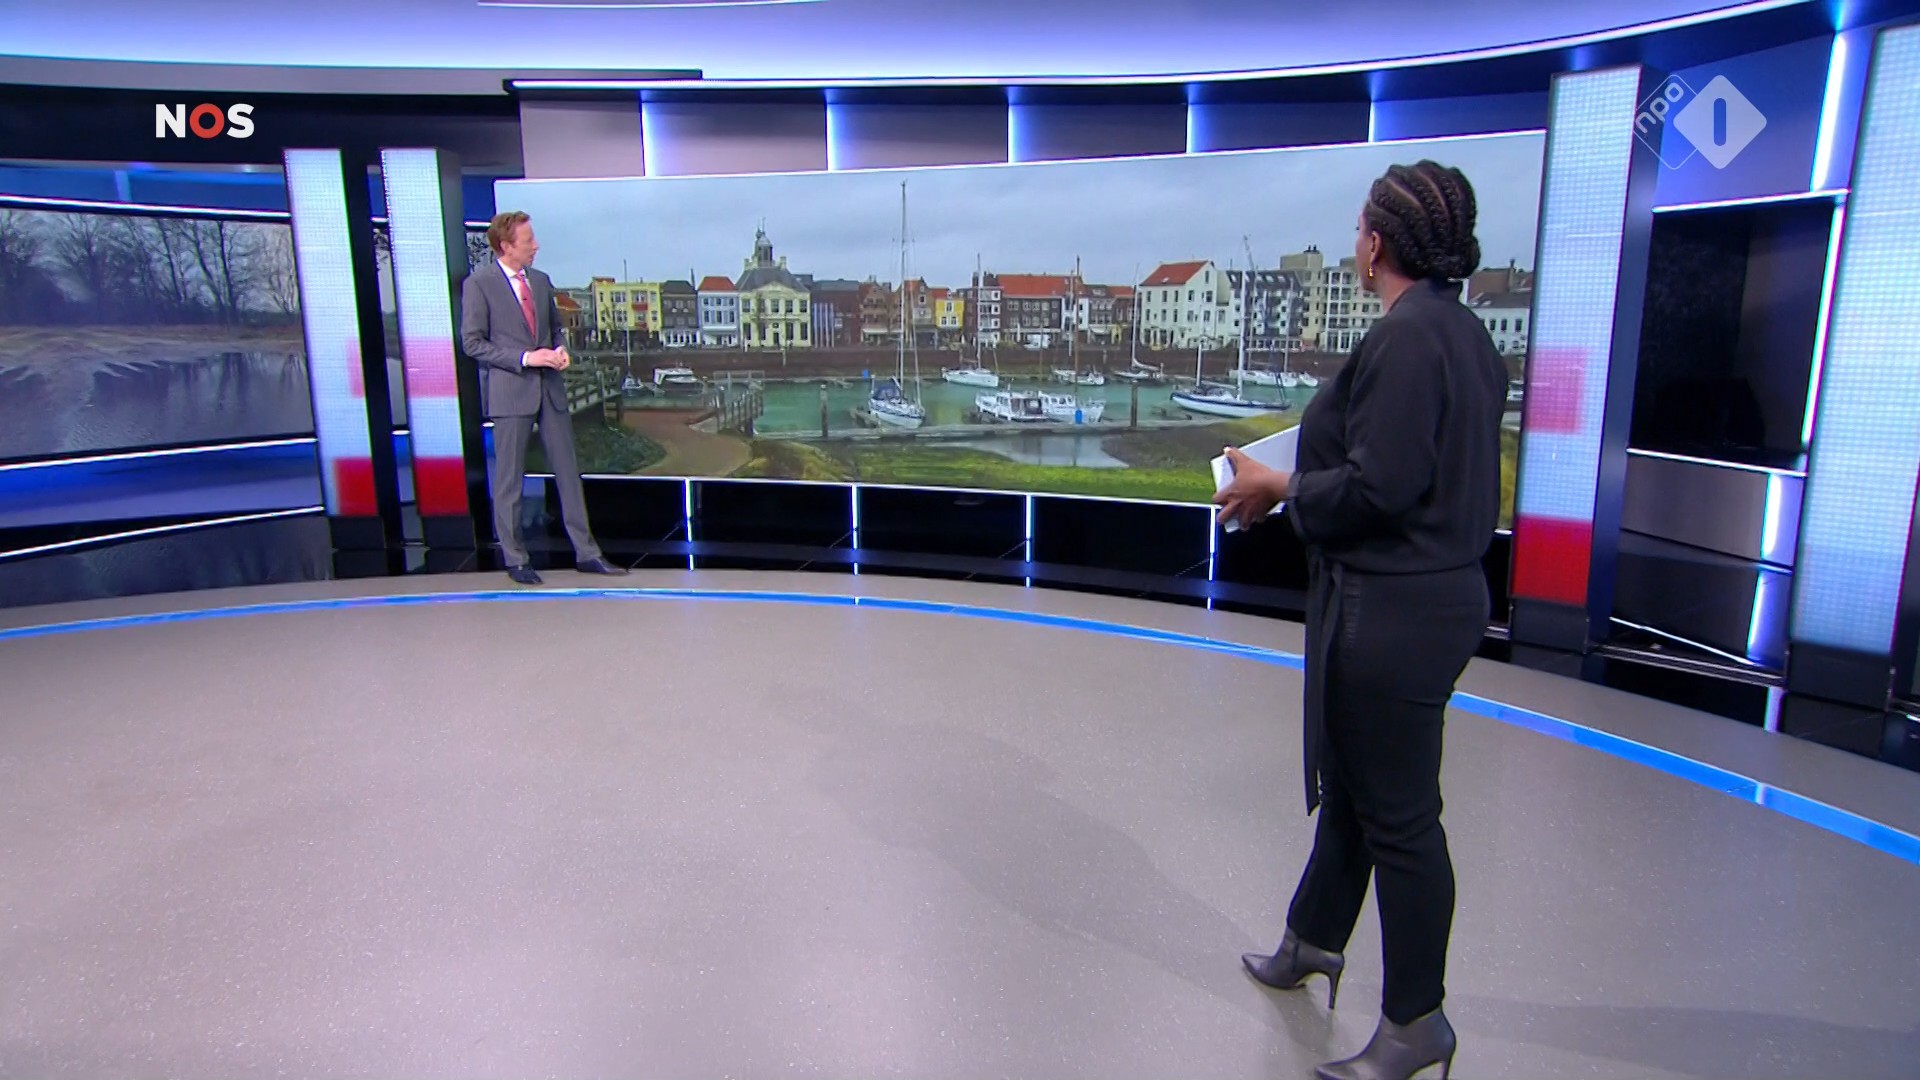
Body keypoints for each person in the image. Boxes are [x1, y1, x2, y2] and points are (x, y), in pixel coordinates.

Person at [1213, 160, 1506, 1080]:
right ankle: (1313, 938)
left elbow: (1382, 487)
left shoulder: (1407, 339)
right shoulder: (1464, 334)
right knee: (1358, 787)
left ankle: (1418, 1022)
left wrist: (1281, 487)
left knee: (1402, 820)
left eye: (1357, 229)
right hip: (1431, 599)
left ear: (1375, 244)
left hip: (1395, 611)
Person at [460, 211, 627, 585]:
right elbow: (472, 343)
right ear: (506, 246)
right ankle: (516, 558)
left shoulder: (540, 281)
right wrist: (525, 358)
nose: (536, 246)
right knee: (509, 480)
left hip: (550, 390)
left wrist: (560, 349)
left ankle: (587, 553)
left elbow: (554, 329)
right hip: (511, 393)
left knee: (568, 473)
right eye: (528, 241)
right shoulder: (480, 285)